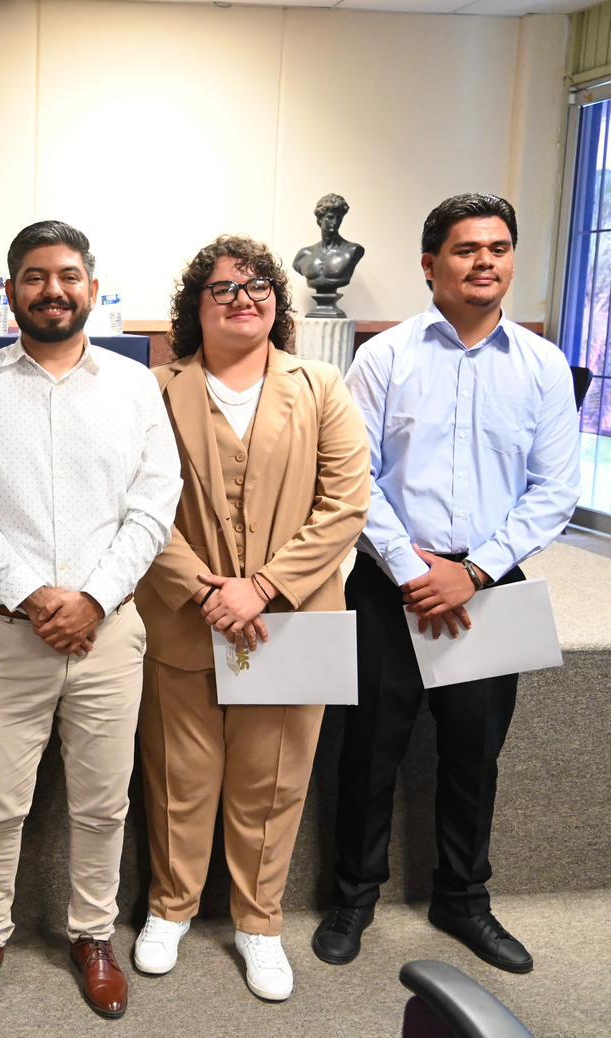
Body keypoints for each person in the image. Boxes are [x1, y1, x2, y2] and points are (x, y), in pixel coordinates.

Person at [315, 193, 580, 975]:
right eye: (467, 250)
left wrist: (474, 570)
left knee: (475, 751)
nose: (486, 262)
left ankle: (464, 899)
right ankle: (353, 896)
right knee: (368, 748)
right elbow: (354, 480)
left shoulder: (542, 366)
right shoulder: (385, 358)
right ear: (430, 265)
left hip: (491, 584)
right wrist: (411, 568)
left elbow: (554, 490)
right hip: (388, 579)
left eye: (499, 247)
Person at [0, 220, 182, 1020]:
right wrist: (38, 595)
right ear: (11, 291)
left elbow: (153, 504)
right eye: (34, 276)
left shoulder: (135, 385)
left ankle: (93, 934)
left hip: (108, 636)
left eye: (68, 274)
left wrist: (93, 600)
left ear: (92, 286)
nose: (53, 290)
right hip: (6, 633)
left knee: (104, 803)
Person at [131, 235, 370, 1001]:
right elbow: (132, 504)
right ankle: (169, 909)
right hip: (182, 614)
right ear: (194, 308)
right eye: (224, 287)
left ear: (279, 301)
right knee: (181, 774)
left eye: (259, 284)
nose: (245, 297)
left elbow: (346, 504)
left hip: (290, 618)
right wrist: (205, 589)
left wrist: (261, 587)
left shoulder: (322, 385)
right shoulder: (155, 389)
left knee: (273, 781)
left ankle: (260, 923)